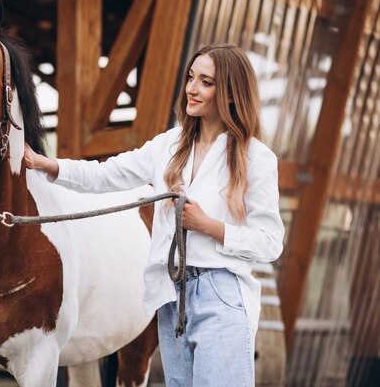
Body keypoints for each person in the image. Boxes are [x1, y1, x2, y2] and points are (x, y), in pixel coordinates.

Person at [24, 44, 284, 387]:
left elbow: (270, 243)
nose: (192, 88)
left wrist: (208, 226)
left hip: (222, 291)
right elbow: (106, 175)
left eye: (206, 82)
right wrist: (49, 165)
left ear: (231, 95)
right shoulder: (169, 145)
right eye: (191, 77)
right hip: (171, 297)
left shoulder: (257, 158)